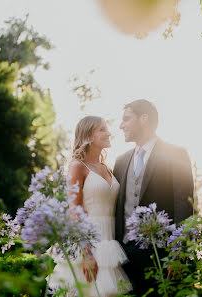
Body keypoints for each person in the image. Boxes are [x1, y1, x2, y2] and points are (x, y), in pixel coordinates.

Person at [113, 99, 195, 296]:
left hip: (161, 256)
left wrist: (178, 254)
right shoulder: (121, 161)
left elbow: (184, 206)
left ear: (144, 119)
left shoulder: (176, 153)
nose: (120, 125)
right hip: (124, 255)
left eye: (126, 119)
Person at [48, 116, 131, 297]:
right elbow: (74, 210)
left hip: (109, 243)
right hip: (88, 244)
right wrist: (86, 253)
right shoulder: (78, 166)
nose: (109, 133)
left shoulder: (107, 167)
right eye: (102, 129)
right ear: (88, 135)